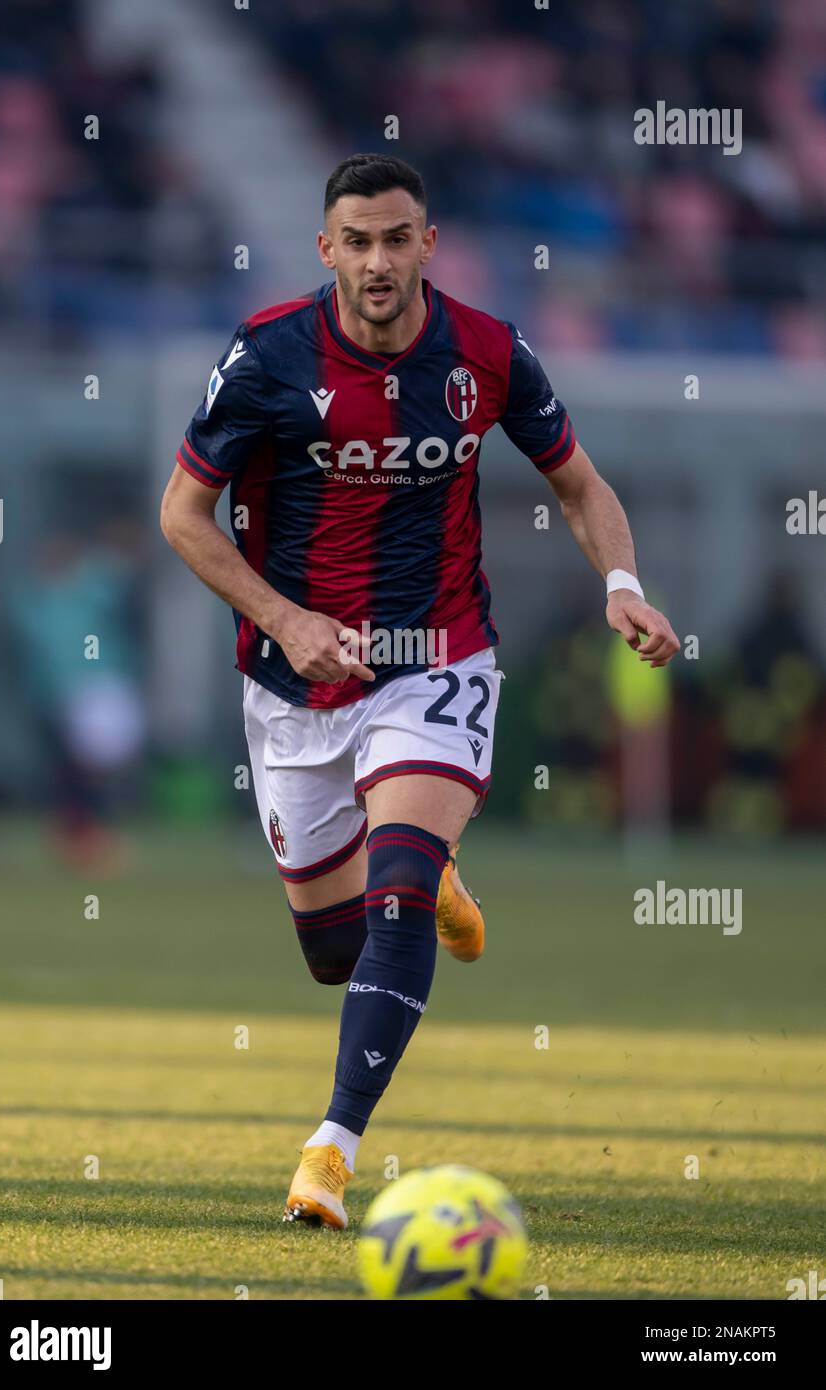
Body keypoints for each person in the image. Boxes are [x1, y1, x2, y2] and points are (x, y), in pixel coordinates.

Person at [160, 153, 679, 1229]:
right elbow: (182, 517)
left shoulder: (486, 352)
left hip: (438, 657)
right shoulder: (264, 356)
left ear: (427, 244)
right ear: (326, 251)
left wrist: (619, 583)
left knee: (391, 891)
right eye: (356, 241)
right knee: (333, 953)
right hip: (293, 681)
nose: (378, 260)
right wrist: (288, 621)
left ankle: (330, 1151)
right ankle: (427, 879)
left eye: (397, 238)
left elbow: (577, 485)